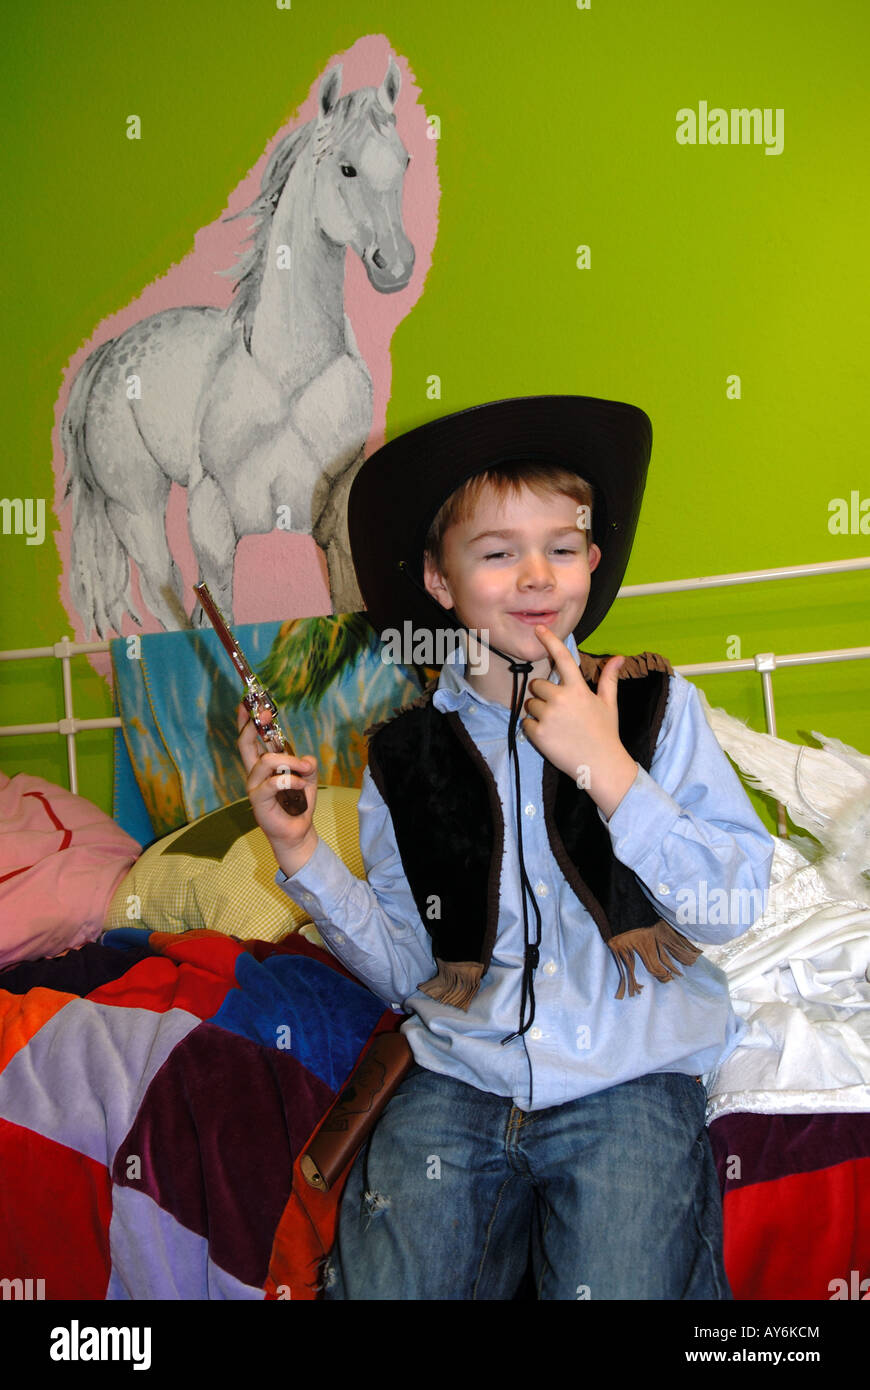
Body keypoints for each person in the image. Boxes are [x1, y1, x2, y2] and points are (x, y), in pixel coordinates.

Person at [237, 395, 774, 1300]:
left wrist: (610, 773)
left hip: (627, 1076)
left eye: (561, 548)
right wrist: (300, 854)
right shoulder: (407, 758)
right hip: (460, 1074)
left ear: (593, 564)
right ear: (440, 583)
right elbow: (415, 966)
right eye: (496, 553)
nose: (536, 576)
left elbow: (734, 905)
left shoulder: (654, 709)